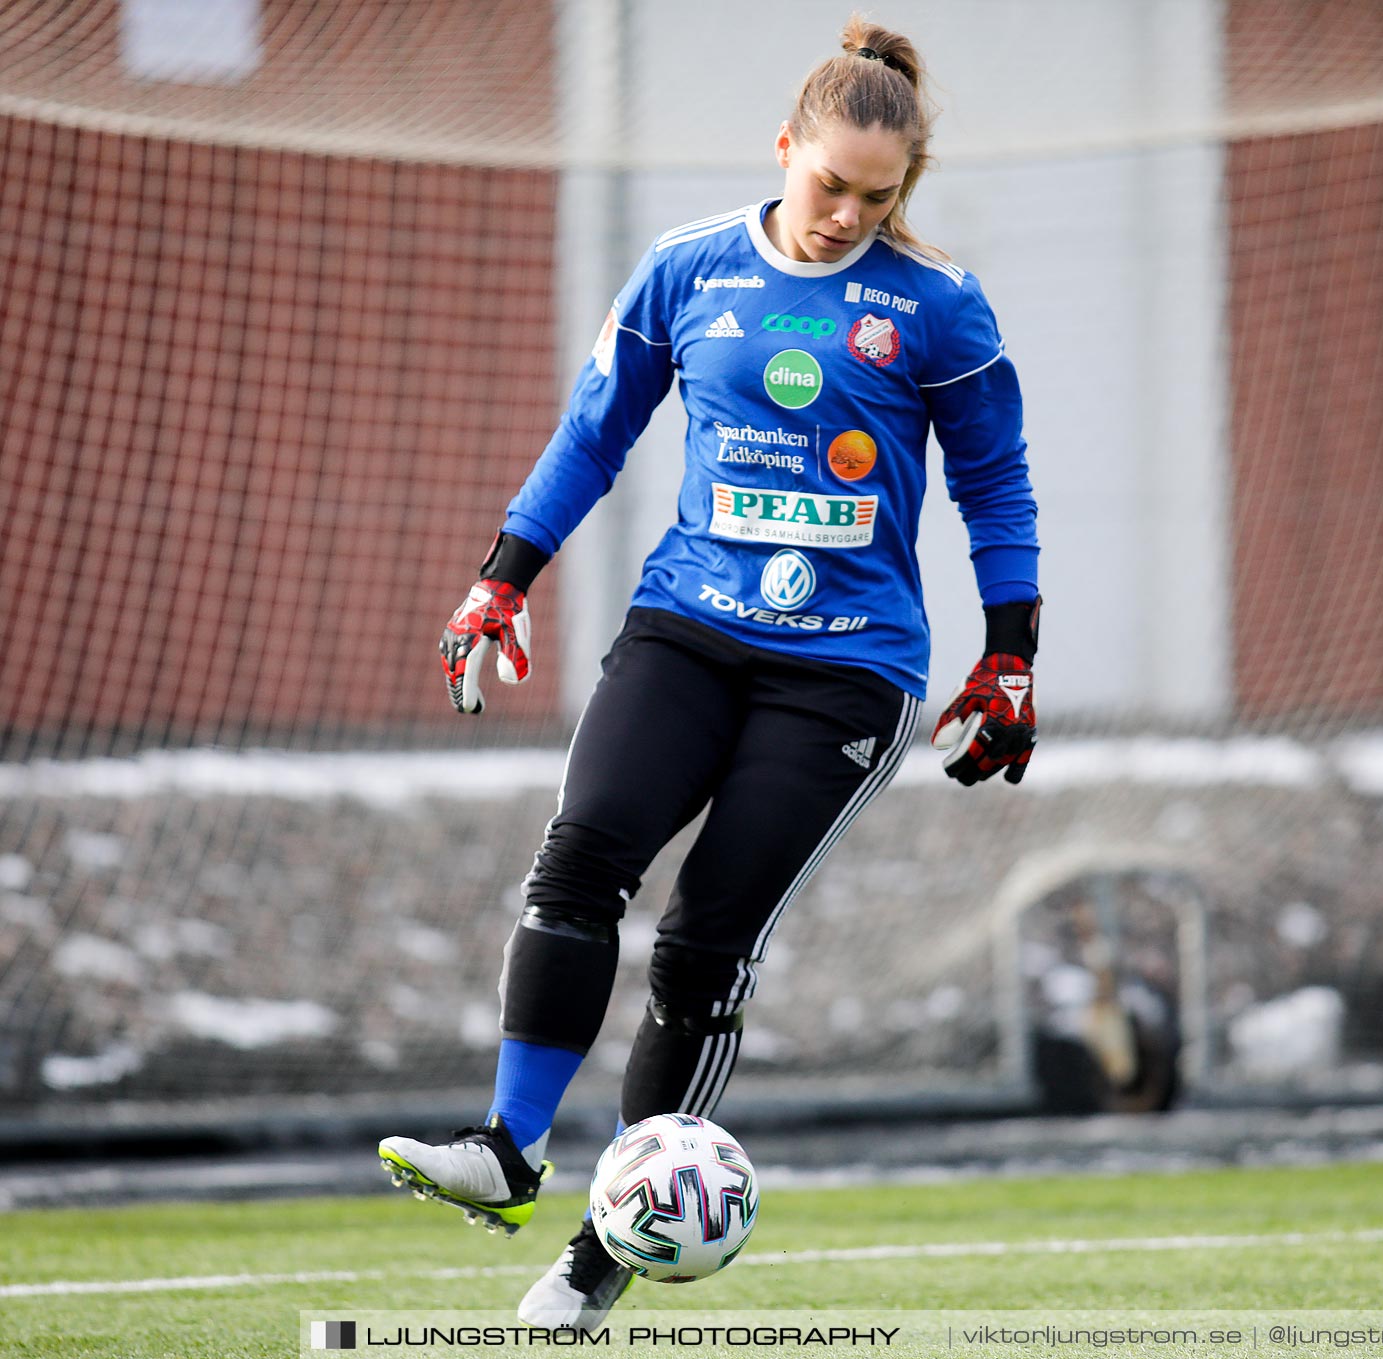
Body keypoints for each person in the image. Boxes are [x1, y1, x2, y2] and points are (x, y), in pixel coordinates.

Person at [377, 15, 1040, 1328]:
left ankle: (604, 1249)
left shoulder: (939, 305)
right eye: (828, 182)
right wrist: (502, 574)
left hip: (847, 673)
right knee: (580, 860)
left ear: (906, 186)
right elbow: (592, 436)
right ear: (783, 147)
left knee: (699, 952)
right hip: (686, 628)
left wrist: (1011, 653)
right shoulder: (686, 270)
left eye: (879, 193)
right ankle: (508, 1153)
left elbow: (996, 481)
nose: (847, 211)